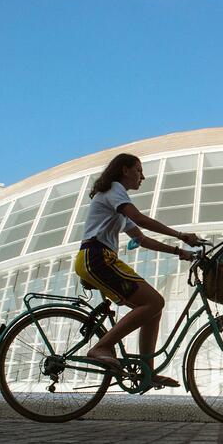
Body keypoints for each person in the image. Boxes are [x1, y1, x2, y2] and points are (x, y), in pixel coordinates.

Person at [74, 152, 202, 387]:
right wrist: (180, 235)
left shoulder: (117, 205)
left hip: (100, 258)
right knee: (154, 302)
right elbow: (140, 219)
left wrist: (179, 252)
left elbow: (141, 238)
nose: (142, 176)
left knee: (154, 306)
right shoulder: (114, 189)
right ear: (124, 170)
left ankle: (147, 373)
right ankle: (101, 346)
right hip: (96, 257)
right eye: (138, 170)